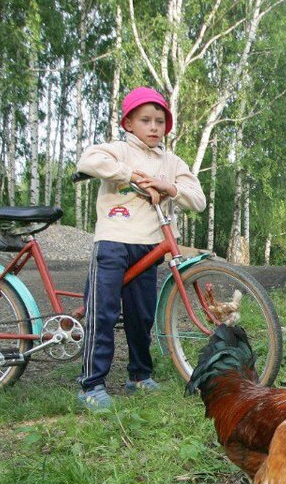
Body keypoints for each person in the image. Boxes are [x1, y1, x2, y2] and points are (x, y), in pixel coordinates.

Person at [74, 87, 207, 411]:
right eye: (145, 120)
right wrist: (129, 174)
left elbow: (198, 200)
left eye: (160, 121)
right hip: (114, 241)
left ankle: (139, 375)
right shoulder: (119, 150)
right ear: (129, 123)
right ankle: (91, 384)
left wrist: (169, 187)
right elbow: (88, 160)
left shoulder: (171, 161)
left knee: (141, 315)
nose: (153, 127)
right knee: (102, 312)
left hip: (149, 246)